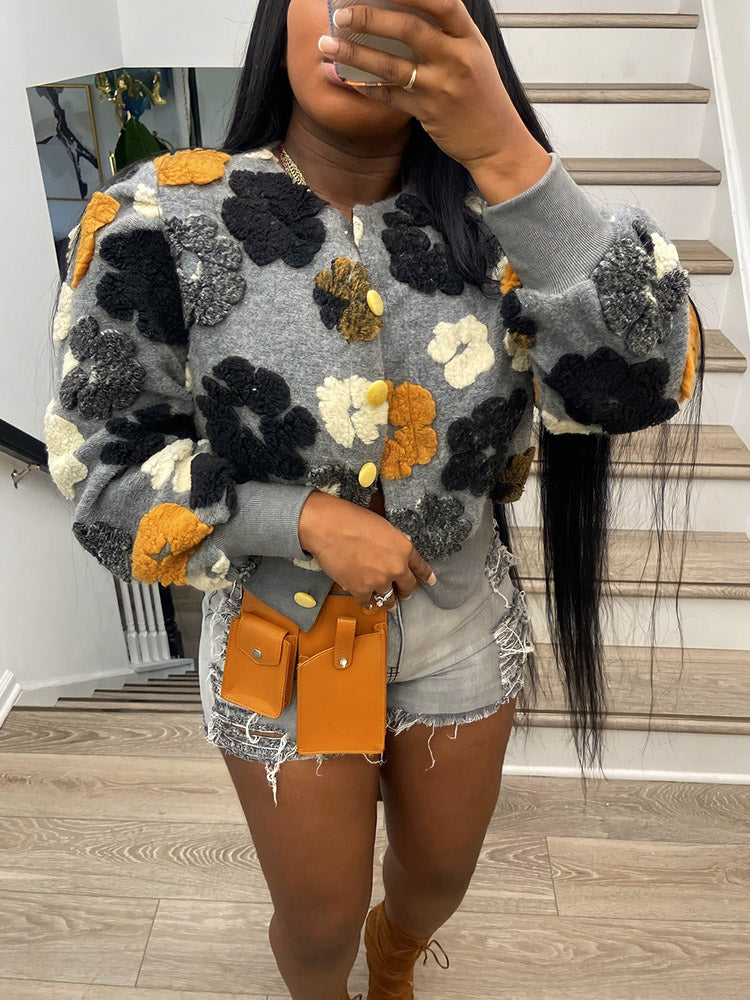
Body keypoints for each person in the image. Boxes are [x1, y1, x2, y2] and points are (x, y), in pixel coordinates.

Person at [44, 1, 705, 998]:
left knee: (436, 880)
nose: (357, 16)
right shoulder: (163, 221)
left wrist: (506, 150)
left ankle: (396, 960)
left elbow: (645, 382)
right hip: (278, 629)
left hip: (459, 621)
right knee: (317, 924)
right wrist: (299, 518)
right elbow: (102, 470)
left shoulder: (508, 222)